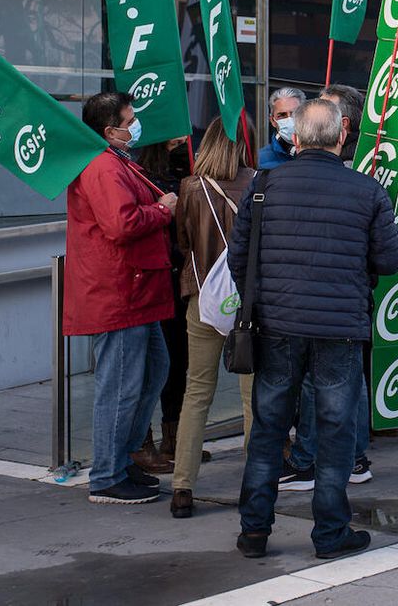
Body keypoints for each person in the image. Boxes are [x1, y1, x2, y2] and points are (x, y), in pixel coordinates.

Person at [230, 98, 398, 560]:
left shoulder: (263, 185)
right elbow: (389, 259)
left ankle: (253, 532)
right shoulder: (367, 191)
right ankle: (330, 533)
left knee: (268, 429)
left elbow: (238, 259)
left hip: (276, 327)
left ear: (297, 137)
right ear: (342, 136)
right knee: (335, 429)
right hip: (339, 327)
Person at [64, 91, 177, 505]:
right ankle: (108, 474)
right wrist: (163, 211)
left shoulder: (116, 161)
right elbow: (122, 223)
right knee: (122, 384)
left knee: (150, 373)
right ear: (110, 129)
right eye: (130, 120)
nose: (135, 125)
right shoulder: (103, 166)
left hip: (135, 287)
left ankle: (121, 459)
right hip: (119, 290)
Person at [278, 82, 375, 492]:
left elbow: (385, 253)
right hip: (332, 304)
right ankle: (348, 458)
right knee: (340, 381)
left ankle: (320, 461)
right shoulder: (277, 179)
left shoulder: (362, 176)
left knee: (329, 384)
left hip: (332, 305)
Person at [169, 118, 256, 519]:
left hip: (202, 297)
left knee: (197, 392)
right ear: (244, 144)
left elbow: (183, 243)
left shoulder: (190, 187)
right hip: (249, 304)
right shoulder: (258, 183)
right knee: (252, 394)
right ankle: (255, 482)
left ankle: (182, 486)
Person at [137, 136, 193, 472]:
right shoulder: (142, 175)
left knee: (178, 363)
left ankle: (175, 437)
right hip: (157, 279)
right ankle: (142, 441)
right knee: (151, 367)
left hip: (180, 278)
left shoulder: (188, 170)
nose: (185, 137)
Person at [258, 87, 306, 171]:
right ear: (273, 121)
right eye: (282, 115)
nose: (289, 119)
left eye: (295, 113)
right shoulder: (260, 160)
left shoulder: (319, 155)